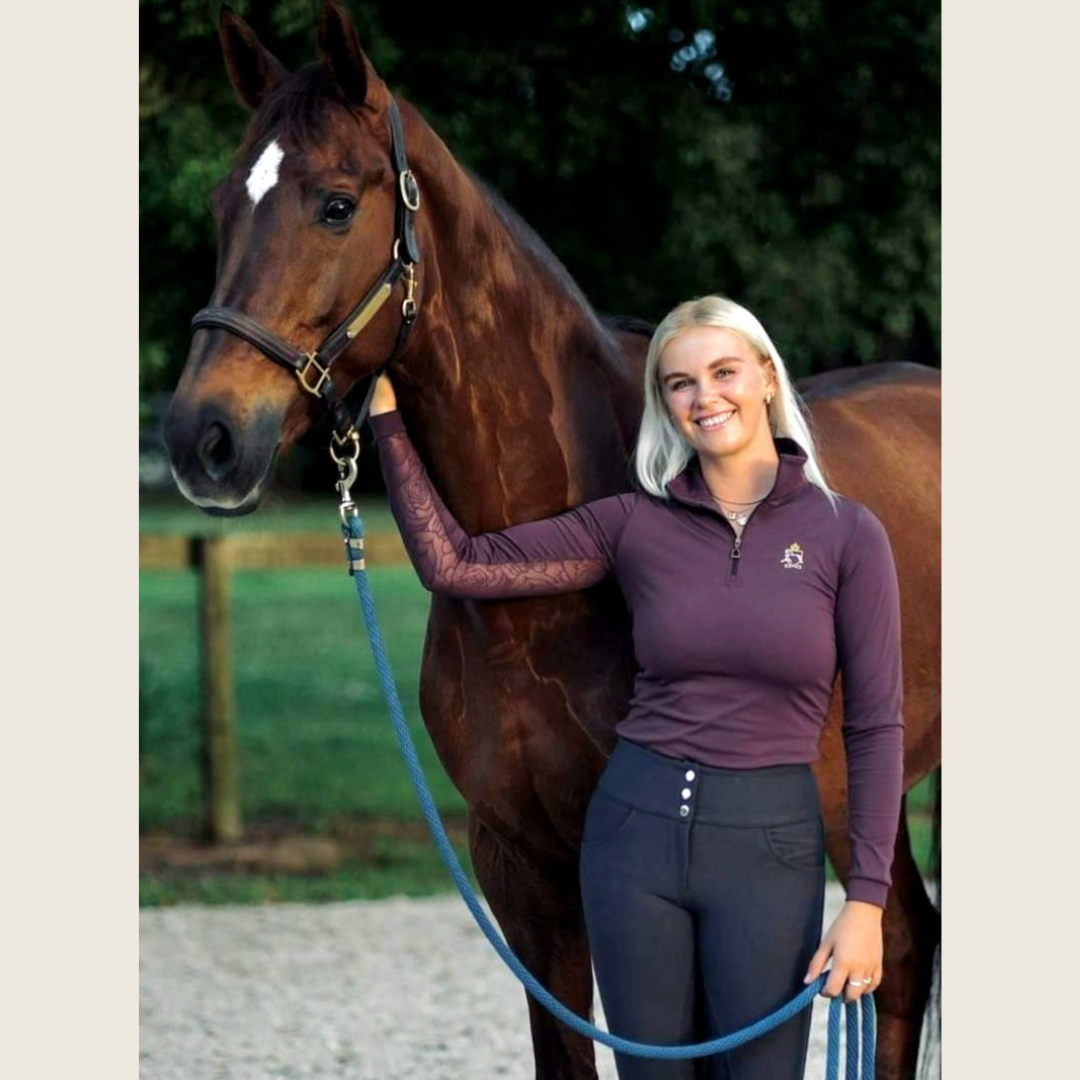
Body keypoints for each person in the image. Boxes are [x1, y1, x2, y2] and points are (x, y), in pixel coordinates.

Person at [367, 295, 903, 1080]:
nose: (705, 396)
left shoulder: (846, 533)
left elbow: (877, 727)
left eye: (724, 372)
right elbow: (457, 564)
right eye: (680, 383)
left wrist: (866, 901)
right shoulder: (632, 525)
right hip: (633, 844)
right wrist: (386, 425)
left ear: (766, 376)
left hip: (769, 847)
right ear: (664, 403)